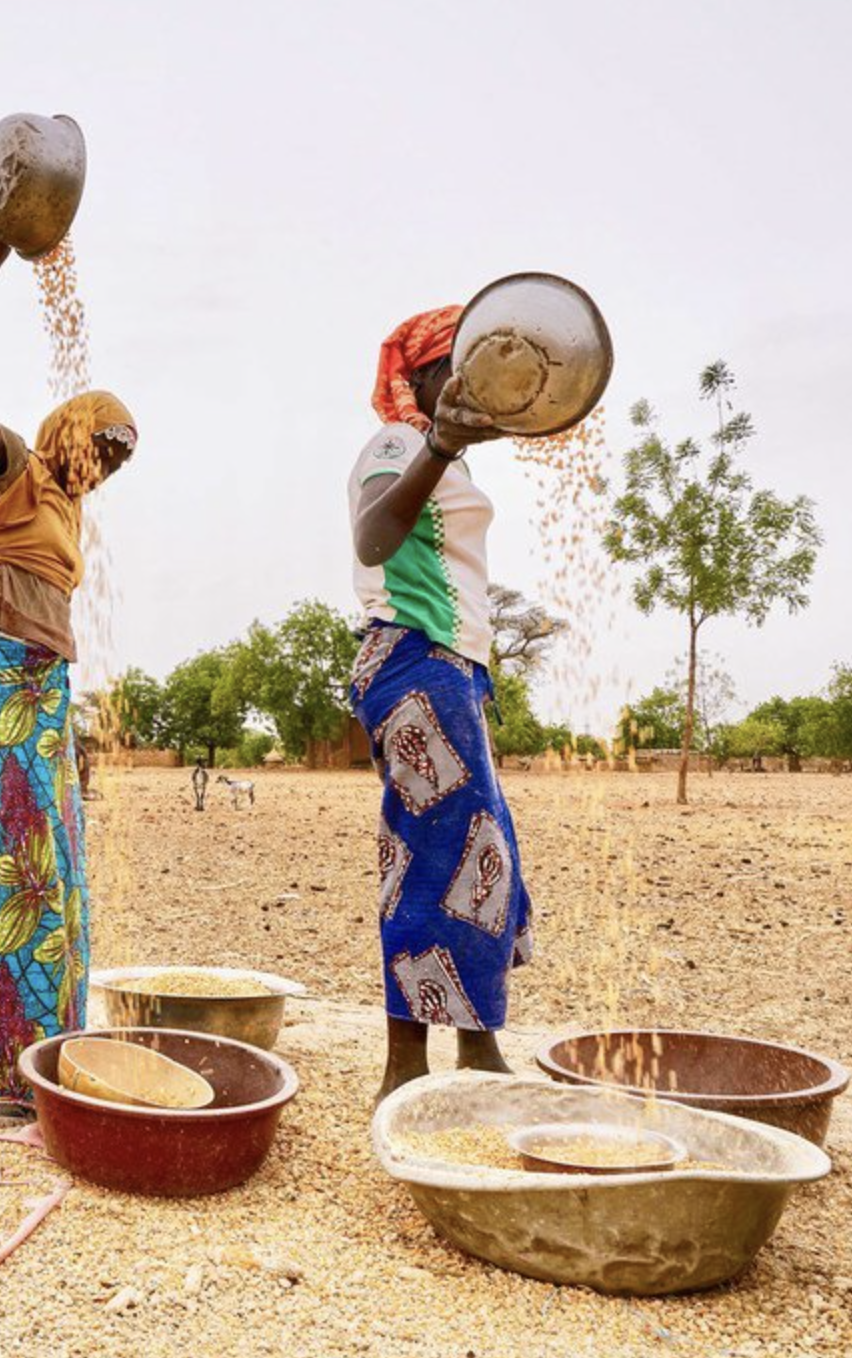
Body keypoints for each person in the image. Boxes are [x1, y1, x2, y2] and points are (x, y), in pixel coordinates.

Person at [0, 235, 138, 1120]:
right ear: (67, 430)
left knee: (60, 882)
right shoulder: (10, 467)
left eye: (119, 460)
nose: (106, 466)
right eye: (102, 445)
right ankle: (5, 1079)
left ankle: (51, 1054)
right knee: (13, 874)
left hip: (46, 690)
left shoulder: (69, 511)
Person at [347, 305, 533, 1103]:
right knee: (436, 861)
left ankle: (475, 1048)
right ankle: (407, 1072)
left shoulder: (451, 463)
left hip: (449, 672)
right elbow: (372, 537)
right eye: (462, 366)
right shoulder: (398, 445)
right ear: (423, 375)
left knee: (480, 860)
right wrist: (438, 443)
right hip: (413, 658)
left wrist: (453, 446)